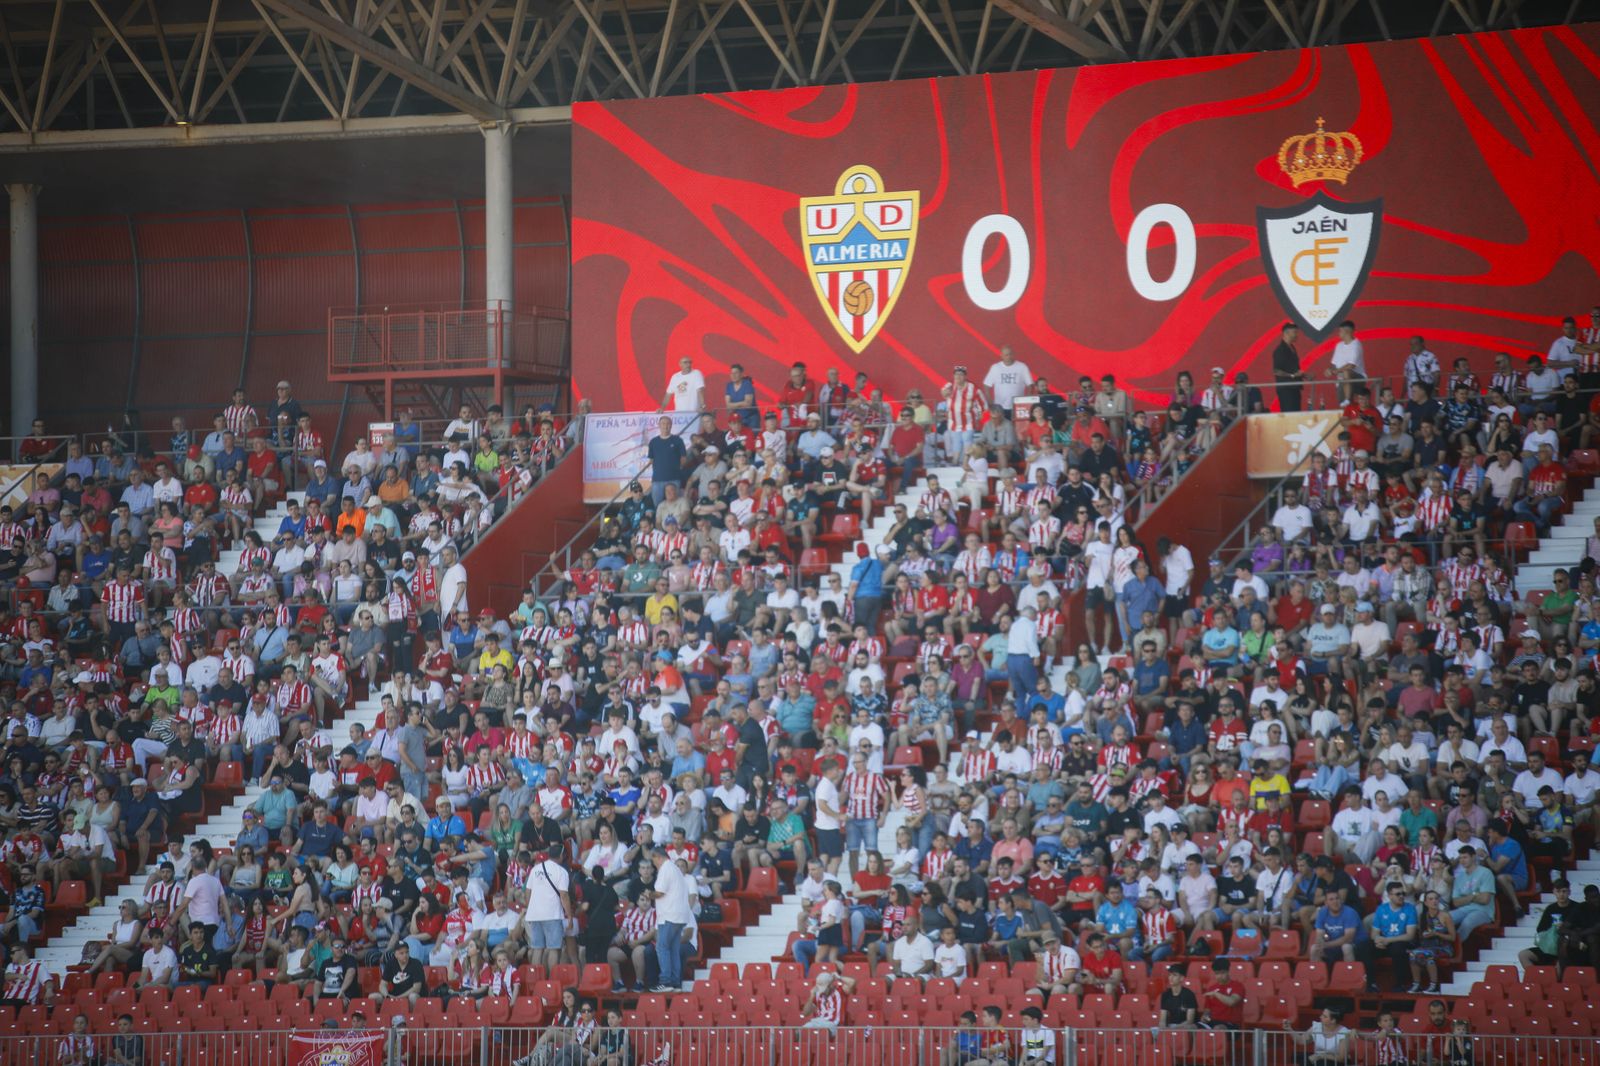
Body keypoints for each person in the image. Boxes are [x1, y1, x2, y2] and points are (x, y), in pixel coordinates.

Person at [650, 847, 694, 993]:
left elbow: (659, 893)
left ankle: (665, 981)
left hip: (669, 915)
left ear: (658, 857)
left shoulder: (665, 869)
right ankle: (675, 983)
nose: (654, 864)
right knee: (673, 949)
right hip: (680, 915)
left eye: (653, 860)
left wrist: (648, 894)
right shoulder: (674, 869)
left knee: (662, 947)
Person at [1286, 1008, 1352, 1066]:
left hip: (1336, 1061)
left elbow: (1341, 1058)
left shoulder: (1344, 1032)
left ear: (1333, 1020)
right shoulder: (1316, 1027)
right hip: (1318, 1058)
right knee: (1305, 1062)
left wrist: (1320, 1056)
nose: (1320, 1017)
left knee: (1321, 1063)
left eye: (1324, 1016)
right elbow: (1301, 1040)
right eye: (1322, 1015)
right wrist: (1289, 1029)